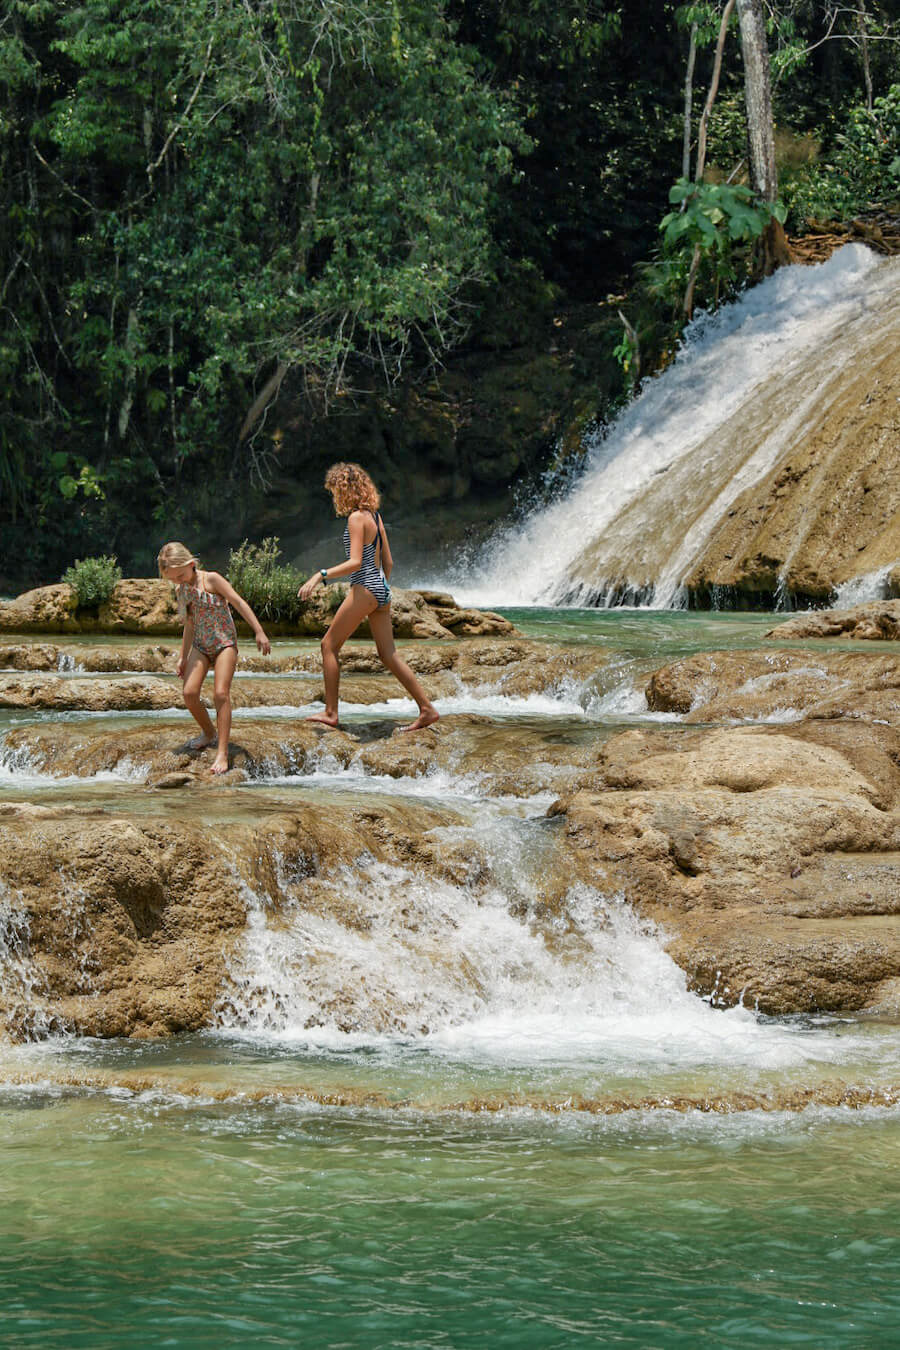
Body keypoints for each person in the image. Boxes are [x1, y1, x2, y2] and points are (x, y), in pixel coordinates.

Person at [298, 462, 439, 732]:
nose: (334, 498)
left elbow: (354, 563)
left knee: (328, 646)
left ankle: (330, 712)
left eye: (335, 492)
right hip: (382, 588)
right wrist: (381, 589)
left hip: (364, 587)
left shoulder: (355, 519)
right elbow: (389, 561)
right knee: (388, 655)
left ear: (345, 491)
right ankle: (427, 708)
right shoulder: (374, 516)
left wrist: (320, 575)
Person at [157, 542, 271, 774]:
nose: (178, 581)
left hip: (224, 643)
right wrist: (183, 657)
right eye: (173, 579)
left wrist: (259, 631)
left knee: (220, 693)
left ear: (191, 564)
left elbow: (238, 602)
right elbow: (189, 624)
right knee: (189, 693)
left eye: (180, 575)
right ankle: (209, 732)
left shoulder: (212, 580)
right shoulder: (181, 590)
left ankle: (222, 753)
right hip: (201, 644)